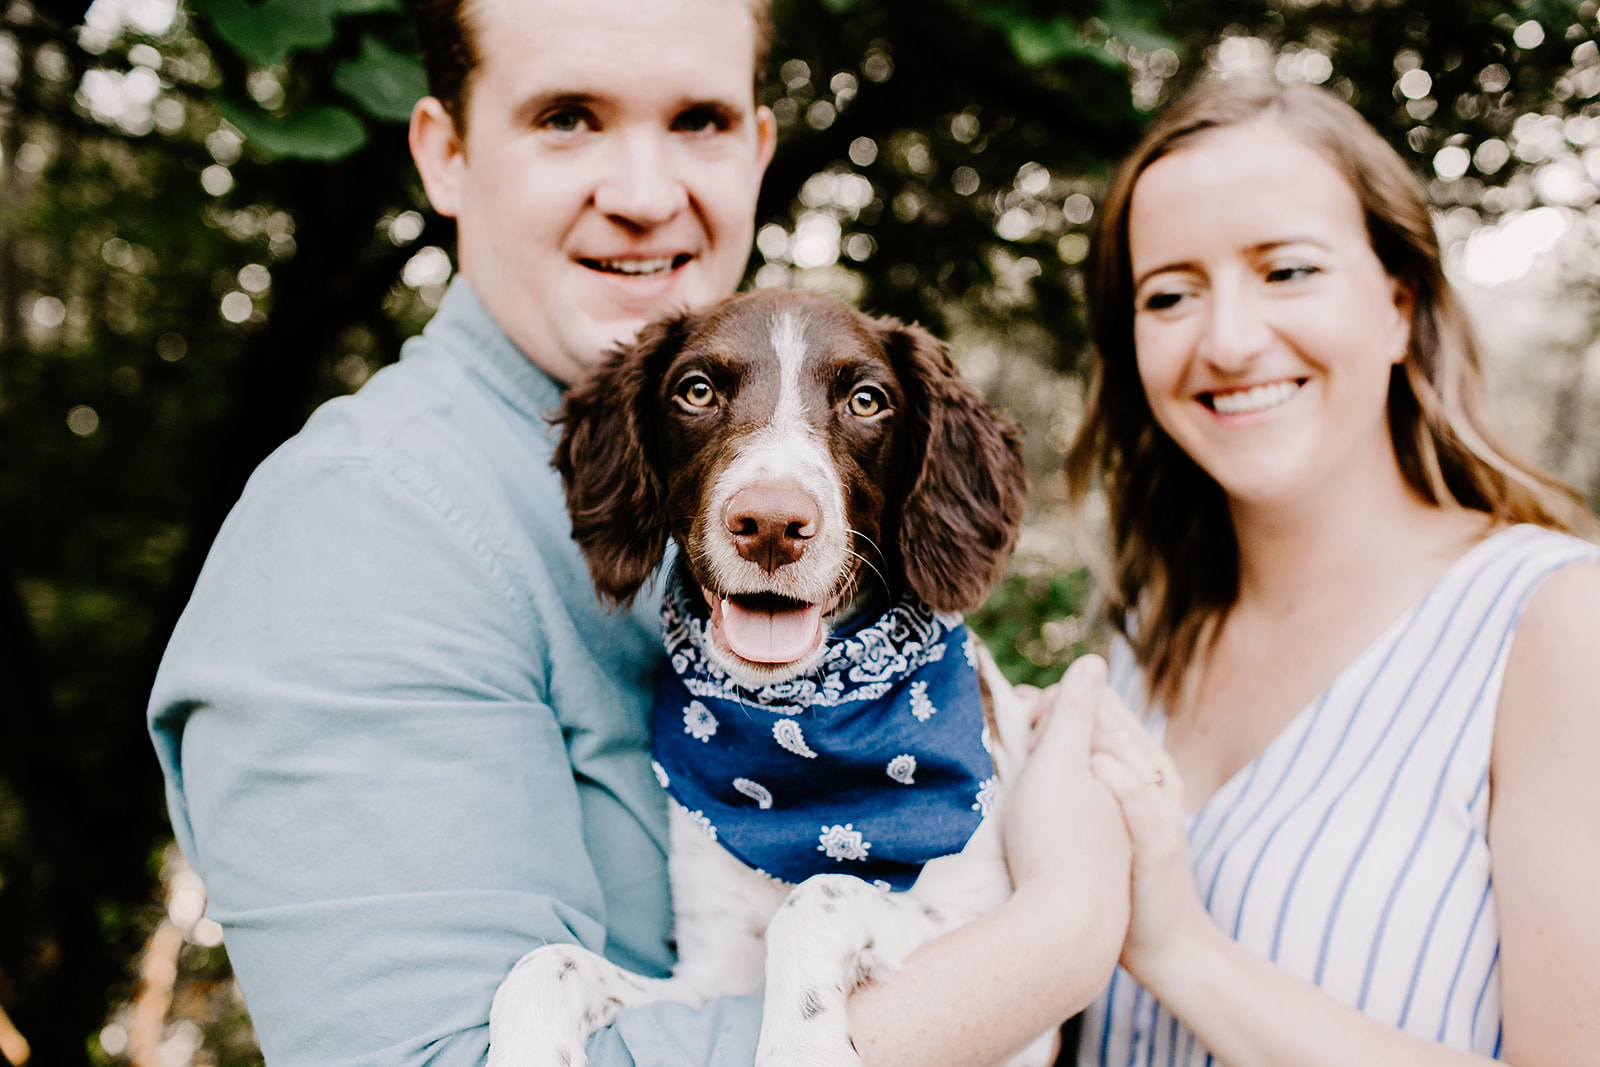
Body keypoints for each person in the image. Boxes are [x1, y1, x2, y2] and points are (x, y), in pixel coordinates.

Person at [148, 1, 1130, 1063]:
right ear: (444, 152)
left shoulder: (751, 531)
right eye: (567, 116)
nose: (645, 195)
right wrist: (1057, 936)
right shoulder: (349, 533)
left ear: (758, 149)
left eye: (699, 119)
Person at [1064, 78, 1600, 1067]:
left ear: (1399, 306)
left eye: (1288, 270)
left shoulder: (1556, 626)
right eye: (1169, 294)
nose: (1226, 340)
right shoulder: (1140, 642)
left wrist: (1183, 951)